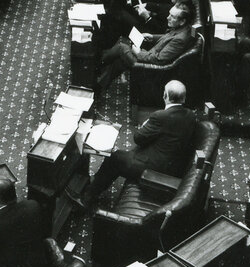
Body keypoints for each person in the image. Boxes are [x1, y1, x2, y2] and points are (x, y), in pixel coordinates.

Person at [79, 81, 196, 210]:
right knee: (123, 156)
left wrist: (145, 125)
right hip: (174, 164)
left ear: (165, 96)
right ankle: (96, 182)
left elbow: (138, 138)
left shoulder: (160, 116)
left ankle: (88, 197)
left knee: (115, 158)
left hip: (156, 170)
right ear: (184, 98)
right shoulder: (190, 115)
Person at [96, 5, 195, 90]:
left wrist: (138, 53)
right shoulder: (182, 29)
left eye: (172, 17)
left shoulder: (180, 40)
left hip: (149, 65)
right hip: (148, 57)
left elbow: (158, 60)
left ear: (182, 21)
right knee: (119, 62)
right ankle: (99, 84)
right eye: (169, 14)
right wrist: (152, 37)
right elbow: (169, 37)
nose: (168, 18)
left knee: (121, 47)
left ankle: (97, 62)